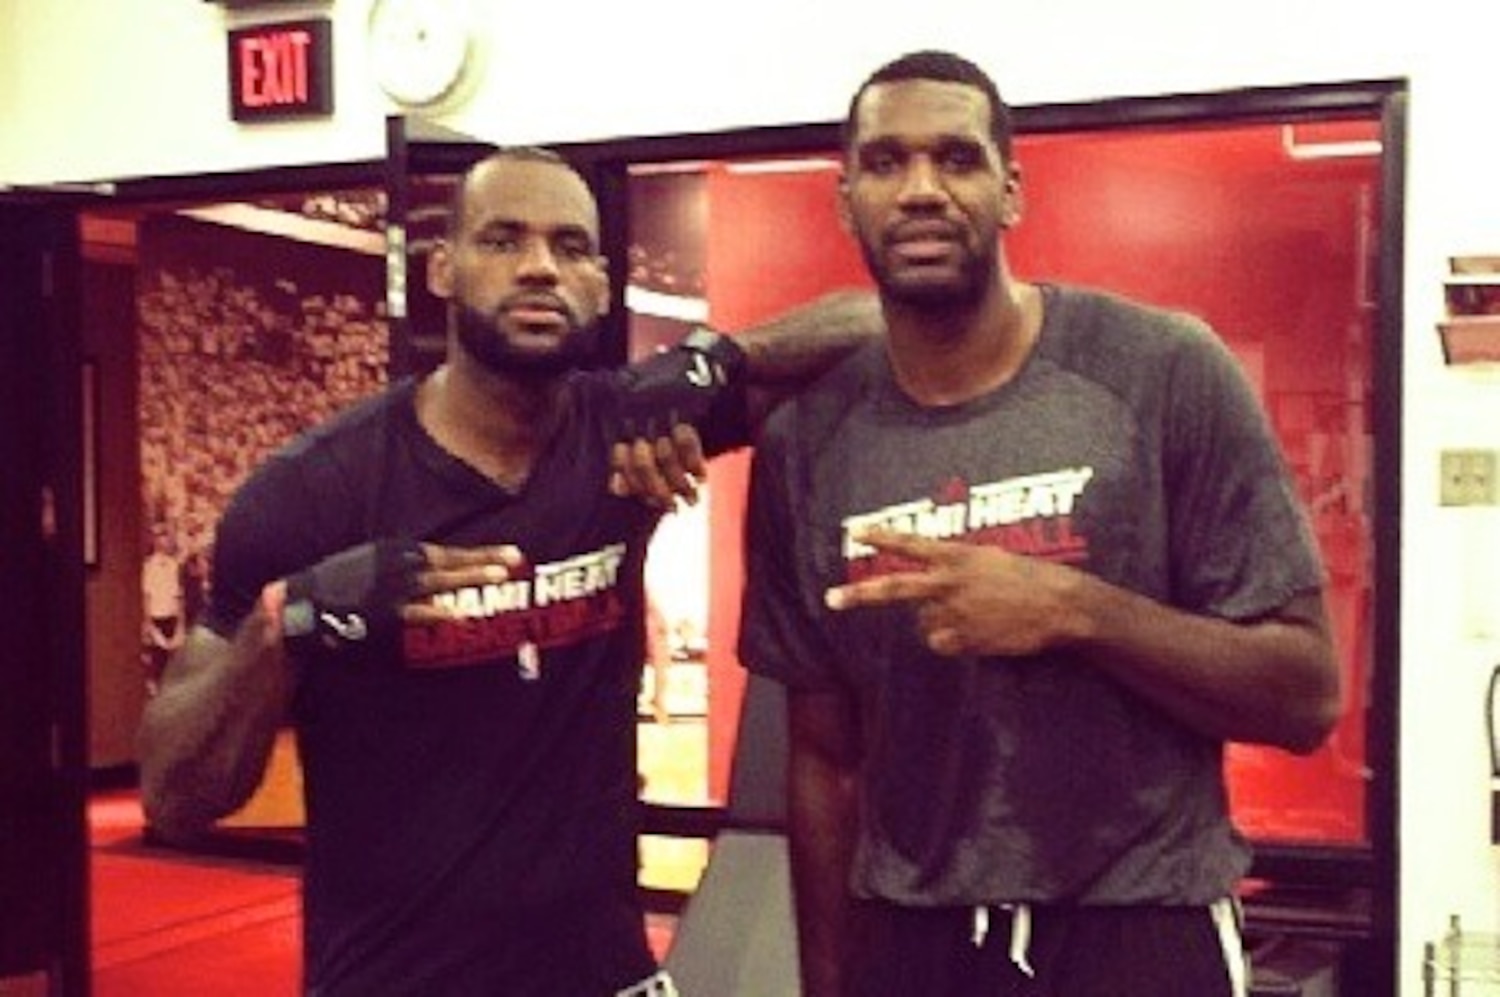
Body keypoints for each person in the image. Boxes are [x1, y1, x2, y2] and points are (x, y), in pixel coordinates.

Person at [137, 146, 878, 997]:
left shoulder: (624, 433)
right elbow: (175, 793)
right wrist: (288, 623)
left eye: (569, 247)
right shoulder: (313, 493)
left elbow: (882, 328)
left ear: (600, 284)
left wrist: (718, 358)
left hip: (606, 976)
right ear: (444, 269)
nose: (538, 267)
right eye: (503, 241)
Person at [737, 50, 1344, 997]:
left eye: (958, 159)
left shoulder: (1161, 370)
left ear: (1011, 190)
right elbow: (823, 758)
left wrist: (1076, 609)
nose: (923, 190)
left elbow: (1304, 695)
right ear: (845, 200)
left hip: (1135, 930)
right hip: (912, 943)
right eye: (887, 163)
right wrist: (828, 981)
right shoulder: (807, 441)